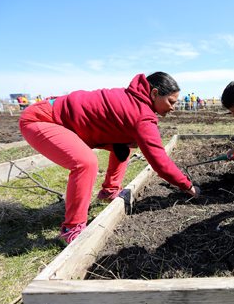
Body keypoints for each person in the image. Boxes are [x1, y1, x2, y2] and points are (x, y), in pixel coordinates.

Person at [19, 72, 200, 244]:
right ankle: (72, 229)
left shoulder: (134, 98)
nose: (173, 107)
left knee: (125, 144)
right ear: (154, 93)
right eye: (170, 101)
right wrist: (187, 186)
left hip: (66, 121)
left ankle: (109, 190)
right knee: (85, 163)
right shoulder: (142, 115)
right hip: (41, 120)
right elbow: (160, 161)